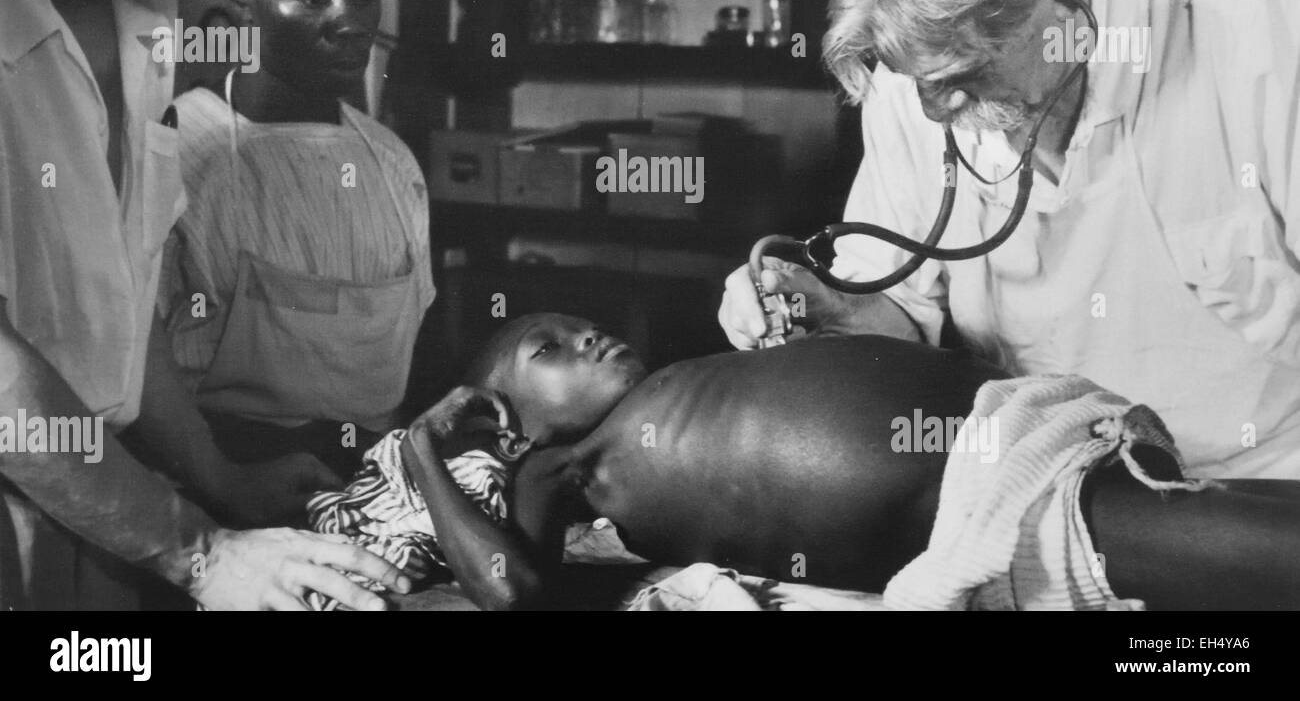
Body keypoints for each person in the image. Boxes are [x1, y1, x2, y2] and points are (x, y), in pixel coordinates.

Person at [719, 0, 1300, 480]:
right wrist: (832, 308)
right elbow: (905, 318)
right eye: (919, 83)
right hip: (1045, 489)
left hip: (1266, 491)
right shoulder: (912, 74)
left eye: (965, 75)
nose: (936, 110)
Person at [0, 0, 408, 610]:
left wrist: (222, 480)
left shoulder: (145, 10)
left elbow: (120, 304)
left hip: (105, 517)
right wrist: (202, 554)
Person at [309, 313, 1300, 611]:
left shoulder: (678, 380)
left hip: (1031, 434)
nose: (592, 339)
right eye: (551, 352)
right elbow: (511, 588)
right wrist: (421, 452)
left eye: (582, 326)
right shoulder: (559, 468)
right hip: (1003, 512)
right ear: (507, 417)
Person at [135, 0, 435, 526]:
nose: (350, 21)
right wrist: (222, 486)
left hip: (372, 496)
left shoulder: (392, 166)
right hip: (221, 500)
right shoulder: (178, 151)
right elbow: (133, 374)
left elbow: (395, 389)